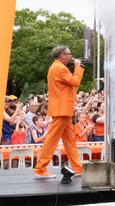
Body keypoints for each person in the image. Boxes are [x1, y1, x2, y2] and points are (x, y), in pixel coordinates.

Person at [33, 45, 84, 179]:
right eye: (69, 54)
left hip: (63, 109)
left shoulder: (57, 67)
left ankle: (77, 168)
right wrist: (78, 67)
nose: (71, 56)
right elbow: (75, 81)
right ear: (62, 55)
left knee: (69, 140)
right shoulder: (60, 68)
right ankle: (40, 168)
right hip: (62, 109)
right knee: (52, 140)